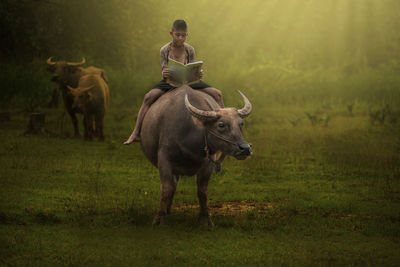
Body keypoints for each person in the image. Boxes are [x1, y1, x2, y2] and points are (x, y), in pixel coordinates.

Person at [124, 19, 224, 144]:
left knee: (217, 94)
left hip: (189, 81)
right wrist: (164, 73)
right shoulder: (164, 50)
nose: (181, 38)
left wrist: (198, 73)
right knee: (148, 97)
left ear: (187, 35)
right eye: (178, 35)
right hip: (170, 81)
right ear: (171, 33)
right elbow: (164, 68)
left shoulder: (190, 50)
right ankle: (136, 132)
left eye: (184, 35)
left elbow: (192, 67)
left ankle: (225, 128)